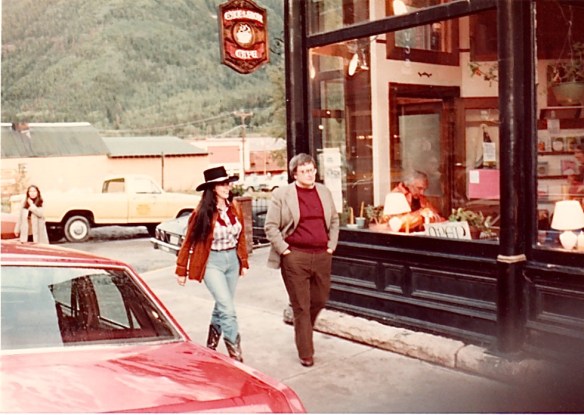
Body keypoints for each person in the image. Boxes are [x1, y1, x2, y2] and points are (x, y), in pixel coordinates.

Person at [264, 153, 340, 367]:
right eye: (304, 171)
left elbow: (334, 220)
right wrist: (285, 250)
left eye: (312, 170)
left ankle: (304, 329)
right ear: (295, 174)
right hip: (295, 256)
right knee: (301, 306)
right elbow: (270, 226)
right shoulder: (283, 194)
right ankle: (306, 351)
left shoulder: (324, 192)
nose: (309, 174)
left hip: (322, 255)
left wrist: (331, 246)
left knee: (320, 300)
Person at [175, 166, 249, 362]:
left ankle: (211, 347)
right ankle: (237, 357)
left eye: (228, 183)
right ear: (213, 188)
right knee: (228, 309)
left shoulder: (235, 208)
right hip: (212, 263)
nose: (227, 187)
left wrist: (244, 262)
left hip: (232, 261)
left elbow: (241, 237)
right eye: (222, 184)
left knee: (222, 305)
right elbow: (188, 241)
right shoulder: (201, 213)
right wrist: (181, 269)